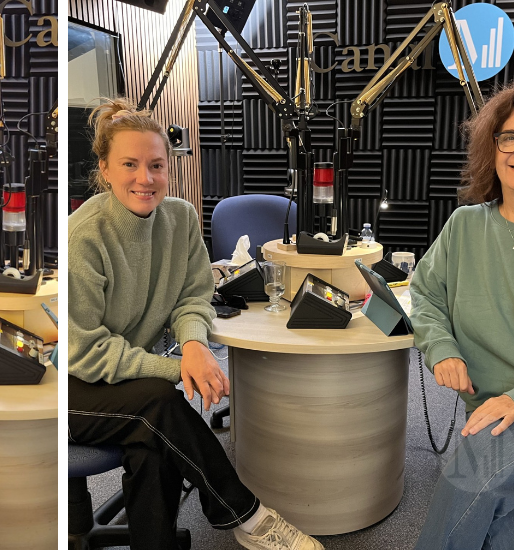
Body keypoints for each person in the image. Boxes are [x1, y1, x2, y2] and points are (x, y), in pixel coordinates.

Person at [67, 98, 323, 550]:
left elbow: (192, 296)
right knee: (161, 403)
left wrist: (193, 345)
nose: (145, 178)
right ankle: (247, 515)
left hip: (132, 386)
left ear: (169, 167)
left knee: (153, 440)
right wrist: (176, 368)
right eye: (130, 164)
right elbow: (86, 353)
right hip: (70, 387)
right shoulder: (83, 237)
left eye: (156, 165)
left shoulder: (181, 218)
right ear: (104, 169)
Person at [411, 82, 514, 549]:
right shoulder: (465, 226)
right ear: (493, 148)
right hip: (492, 411)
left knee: (476, 468)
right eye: (510, 137)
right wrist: (441, 347)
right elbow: (424, 293)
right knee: (510, 525)